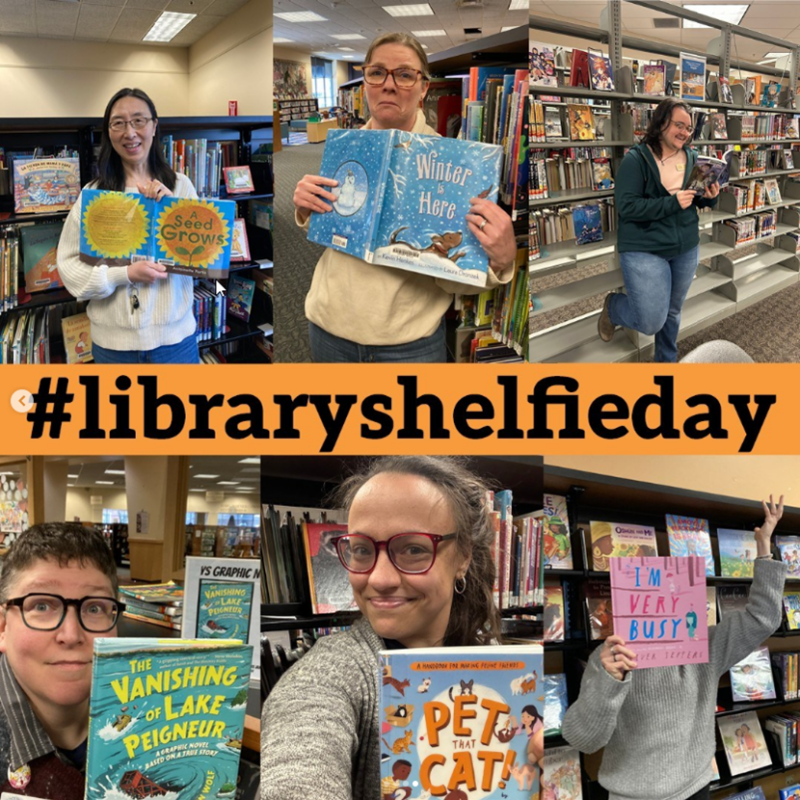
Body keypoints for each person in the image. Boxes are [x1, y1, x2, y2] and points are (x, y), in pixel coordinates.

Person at [262, 456, 524, 799]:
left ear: (463, 557)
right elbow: (298, 764)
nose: (380, 579)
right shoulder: (329, 676)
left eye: (413, 549)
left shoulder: (494, 663)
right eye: (361, 549)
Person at [293, 33, 516, 363]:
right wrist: (307, 208)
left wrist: (501, 259)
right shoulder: (344, 147)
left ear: (424, 87)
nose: (389, 85)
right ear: (366, 82)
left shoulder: (457, 164)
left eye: (405, 74)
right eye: (377, 72)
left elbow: (461, 277)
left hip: (408, 344)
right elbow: (333, 232)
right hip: (328, 327)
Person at [562, 495, 786, 800]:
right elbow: (582, 739)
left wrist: (764, 551)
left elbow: (763, 618)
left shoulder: (706, 645)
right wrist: (608, 680)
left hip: (695, 788)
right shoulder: (612, 658)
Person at [57, 88, 200, 364]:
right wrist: (122, 274)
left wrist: (173, 212)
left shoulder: (181, 186)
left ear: (154, 126)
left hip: (176, 343)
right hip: (113, 348)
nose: (130, 132)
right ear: (108, 132)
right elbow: (69, 268)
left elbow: (201, 262)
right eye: (118, 123)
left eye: (138, 120)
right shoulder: (93, 195)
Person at [0, 523, 123, 799]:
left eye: (94, 608)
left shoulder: (156, 715)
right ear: (2, 628)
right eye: (41, 606)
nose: (70, 635)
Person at [597, 96, 720, 362]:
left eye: (689, 128)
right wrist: (671, 204)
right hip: (645, 247)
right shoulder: (636, 159)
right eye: (679, 125)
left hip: (685, 246)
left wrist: (709, 196)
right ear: (661, 123)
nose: (685, 133)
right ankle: (614, 307)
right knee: (652, 321)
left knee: (673, 311)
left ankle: (666, 362)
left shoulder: (692, 157)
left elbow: (694, 198)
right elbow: (627, 207)